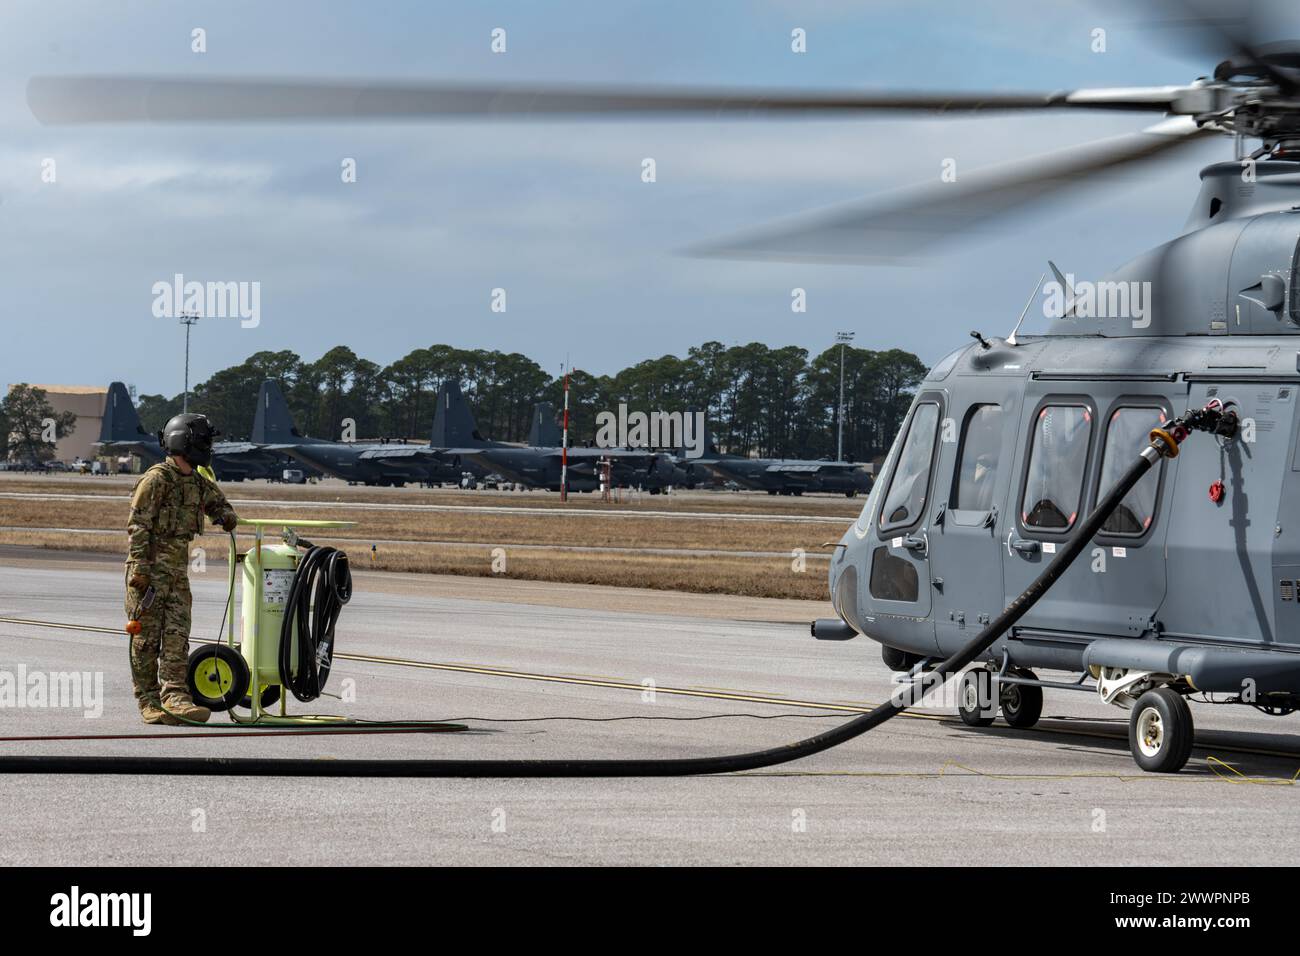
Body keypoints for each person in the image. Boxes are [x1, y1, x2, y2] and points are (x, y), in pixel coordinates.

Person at [125, 413, 239, 725]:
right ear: (184, 443)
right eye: (203, 441)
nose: (207, 447)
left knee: (176, 635)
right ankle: (148, 701)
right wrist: (139, 570)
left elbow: (220, 504)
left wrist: (225, 516)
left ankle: (175, 697)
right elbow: (137, 526)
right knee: (146, 639)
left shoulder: (198, 482)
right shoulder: (155, 480)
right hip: (147, 574)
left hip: (176, 575)